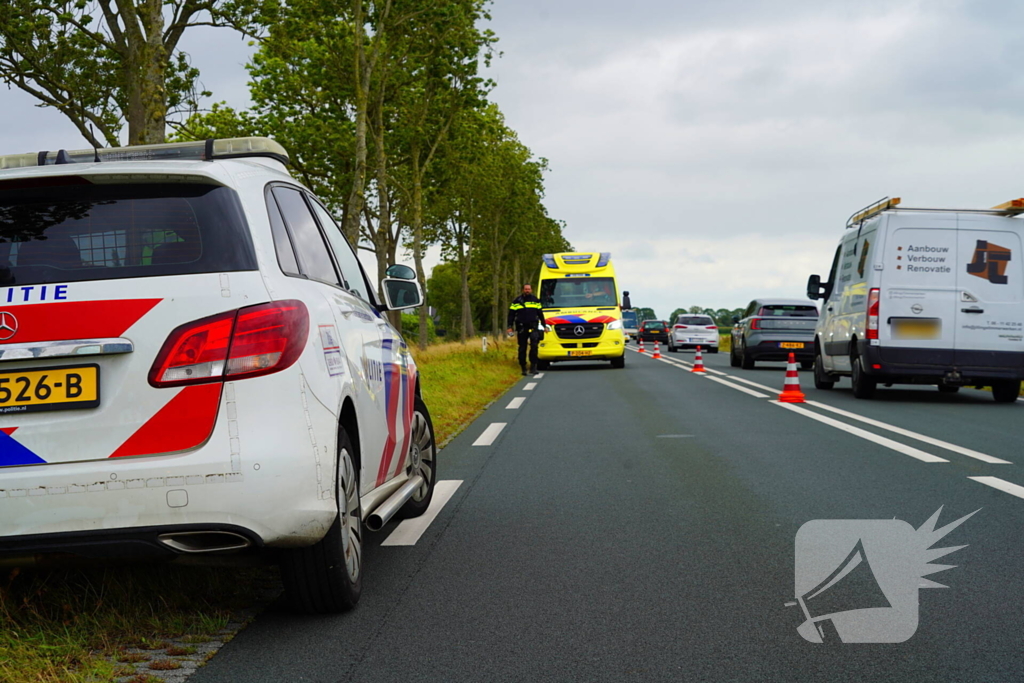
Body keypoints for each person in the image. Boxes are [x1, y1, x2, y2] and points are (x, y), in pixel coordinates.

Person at [506, 283, 545, 375]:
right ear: (523, 290)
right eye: (526, 289)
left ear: (531, 290)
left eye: (529, 289)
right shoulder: (517, 301)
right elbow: (511, 315)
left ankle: (533, 367)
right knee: (522, 348)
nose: (527, 290)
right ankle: (523, 367)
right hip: (522, 327)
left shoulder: (535, 300)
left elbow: (540, 314)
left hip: (533, 327)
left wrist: (544, 325)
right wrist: (509, 326)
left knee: (534, 346)